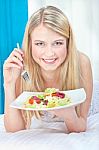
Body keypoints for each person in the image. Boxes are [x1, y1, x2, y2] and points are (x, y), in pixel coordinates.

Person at [3, 6, 93, 133]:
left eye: (58, 43)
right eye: (40, 44)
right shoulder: (23, 69)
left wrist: (69, 115)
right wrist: (9, 84)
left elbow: (80, 126)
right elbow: (15, 129)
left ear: (68, 42)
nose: (49, 53)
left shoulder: (81, 62)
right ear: (30, 44)